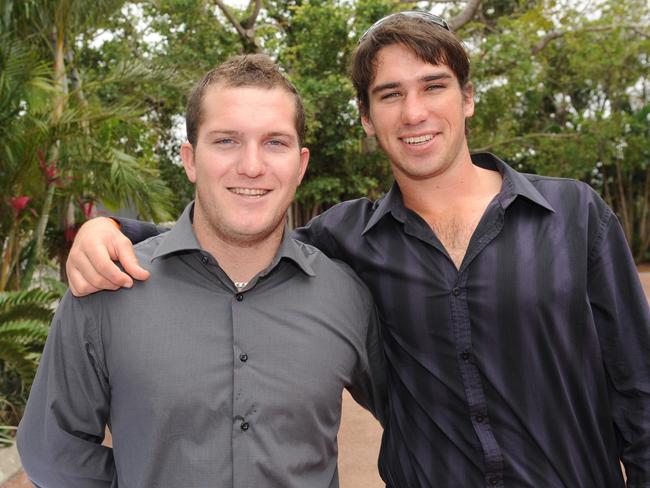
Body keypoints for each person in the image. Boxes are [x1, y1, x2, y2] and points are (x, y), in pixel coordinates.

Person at [64, 11, 650, 488]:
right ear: (368, 119)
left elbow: (639, 388)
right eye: (390, 95)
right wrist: (109, 227)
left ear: (468, 98)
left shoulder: (574, 215)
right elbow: (236, 230)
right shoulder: (348, 238)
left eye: (433, 86)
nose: (414, 112)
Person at [17, 54, 386, 488]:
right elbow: (51, 452)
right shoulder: (107, 287)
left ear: (300, 165)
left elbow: (422, 421)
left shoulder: (347, 296)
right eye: (226, 140)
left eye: (275, 142)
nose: (252, 165)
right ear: (190, 159)